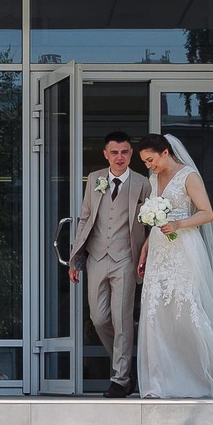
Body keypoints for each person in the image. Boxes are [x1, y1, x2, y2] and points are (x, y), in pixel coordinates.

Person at [134, 133, 213, 400]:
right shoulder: (154, 179)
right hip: (159, 248)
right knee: (155, 312)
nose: (149, 166)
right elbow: (155, 220)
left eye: (151, 159)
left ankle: (204, 376)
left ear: (165, 152)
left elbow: (206, 213)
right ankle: (158, 383)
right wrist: (145, 247)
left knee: (186, 311)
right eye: (144, 162)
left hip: (183, 248)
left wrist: (177, 224)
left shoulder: (188, 176)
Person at [71, 131, 151, 398]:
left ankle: (121, 378)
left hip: (126, 259)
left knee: (122, 319)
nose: (120, 157)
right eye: (114, 152)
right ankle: (125, 364)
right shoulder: (94, 179)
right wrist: (75, 257)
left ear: (131, 154)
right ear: (106, 154)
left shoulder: (142, 183)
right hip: (96, 258)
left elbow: (150, 224)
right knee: (99, 318)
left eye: (125, 152)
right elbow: (85, 218)